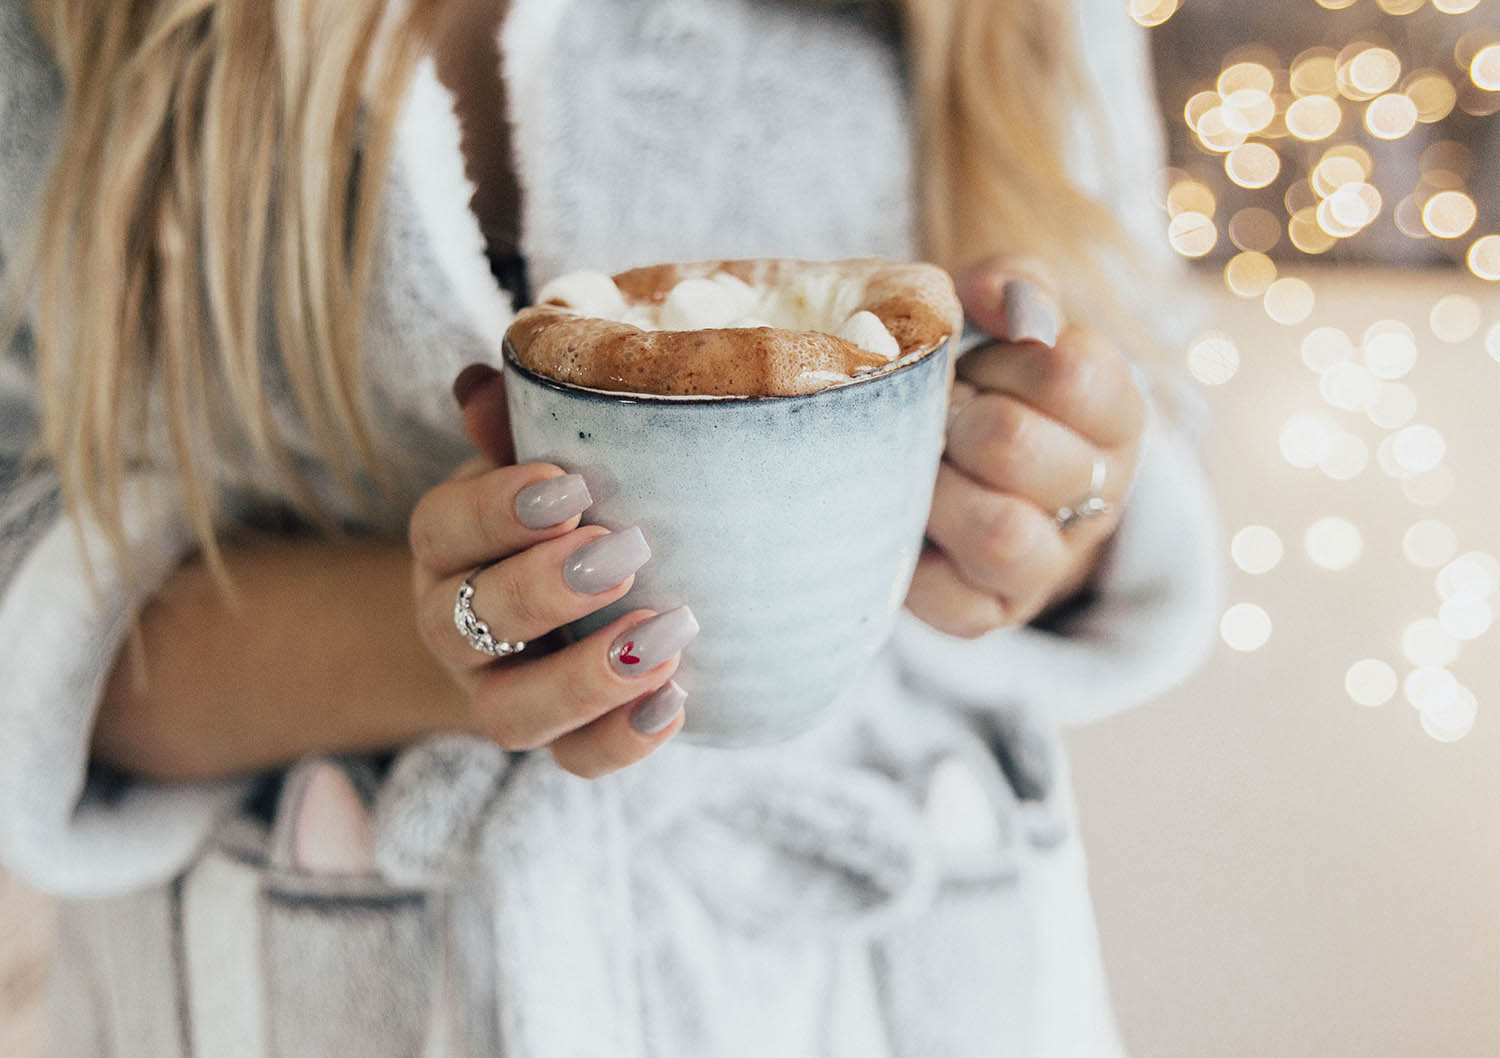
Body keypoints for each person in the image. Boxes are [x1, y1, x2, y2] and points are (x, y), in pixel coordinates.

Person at [0, 0, 1223, 1054]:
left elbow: (1128, 393)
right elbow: (25, 570)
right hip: (316, 970)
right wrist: (448, 635)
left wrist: (1042, 503)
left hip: (891, 968)